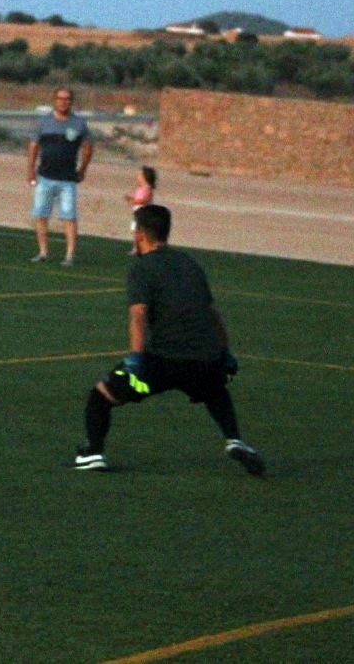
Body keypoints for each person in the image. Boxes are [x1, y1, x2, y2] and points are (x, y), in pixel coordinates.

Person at [71, 204, 265, 475]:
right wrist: (225, 354)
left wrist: (136, 359)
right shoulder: (190, 263)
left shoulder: (143, 267)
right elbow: (211, 313)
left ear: (139, 233)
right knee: (215, 391)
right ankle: (234, 439)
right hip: (204, 358)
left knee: (101, 395)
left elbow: (138, 316)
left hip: (162, 361)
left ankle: (92, 453)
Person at [27, 87, 92, 266]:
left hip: (67, 179)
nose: (64, 102)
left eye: (67, 99)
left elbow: (88, 148)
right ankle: (43, 252)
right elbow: (34, 146)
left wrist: (83, 170)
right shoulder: (43, 122)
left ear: (72, 101)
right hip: (45, 177)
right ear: (54, 100)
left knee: (69, 217)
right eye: (60, 98)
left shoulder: (79, 124)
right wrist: (31, 169)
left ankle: (69, 255)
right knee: (40, 214)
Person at [124, 165, 157, 254]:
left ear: (145, 177)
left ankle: (146, 247)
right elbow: (136, 198)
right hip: (137, 213)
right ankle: (136, 247)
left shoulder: (147, 189)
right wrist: (131, 199)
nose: (137, 177)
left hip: (145, 214)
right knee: (136, 230)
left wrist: (135, 201)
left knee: (144, 231)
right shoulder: (139, 189)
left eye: (139, 175)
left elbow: (145, 200)